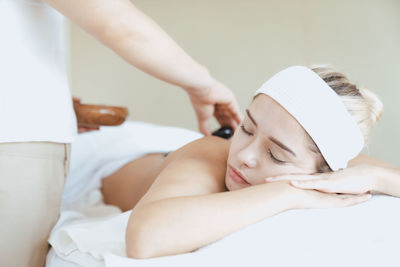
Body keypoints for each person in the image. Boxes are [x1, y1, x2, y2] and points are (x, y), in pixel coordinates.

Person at [0, 1, 241, 266]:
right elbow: (115, 20)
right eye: (249, 128)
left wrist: (33, 98)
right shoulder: (200, 154)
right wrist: (203, 84)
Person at [96, 66, 400, 259]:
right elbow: (145, 239)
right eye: (247, 127)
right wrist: (290, 192)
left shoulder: (335, 161)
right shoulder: (212, 154)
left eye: (276, 155)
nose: (243, 155)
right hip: (109, 155)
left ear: (324, 171)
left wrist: (377, 177)